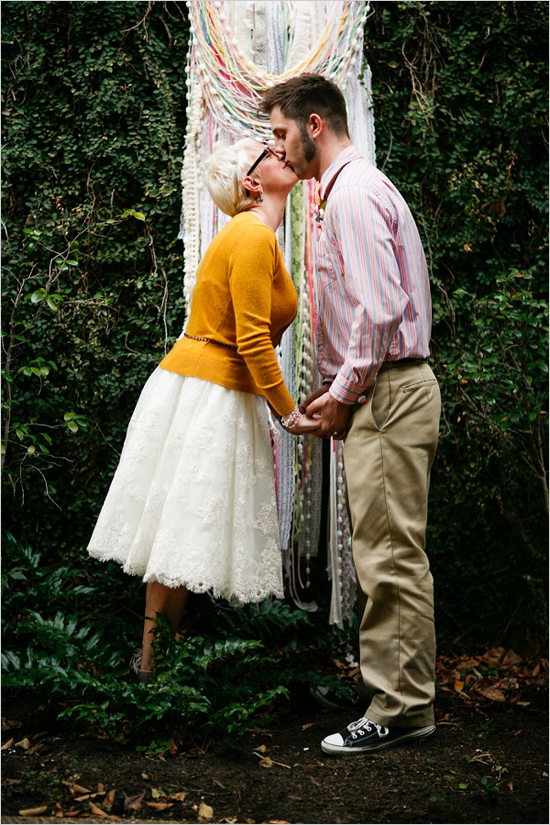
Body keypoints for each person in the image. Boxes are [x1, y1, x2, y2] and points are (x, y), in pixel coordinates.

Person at [88, 138, 318, 681]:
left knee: (181, 530)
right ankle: (152, 670)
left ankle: (153, 668)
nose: (282, 152)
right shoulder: (252, 234)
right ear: (252, 183)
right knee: (180, 530)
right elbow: (254, 342)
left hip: (208, 385)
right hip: (211, 391)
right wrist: (289, 414)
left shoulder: (252, 234)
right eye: (269, 152)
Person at [260, 74, 441, 755]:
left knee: (389, 557)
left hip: (387, 393)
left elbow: (379, 312)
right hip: (381, 392)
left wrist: (341, 395)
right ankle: (399, 695)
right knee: (387, 553)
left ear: (314, 125)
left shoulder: (355, 193)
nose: (279, 150)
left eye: (281, 133)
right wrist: (338, 393)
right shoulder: (349, 190)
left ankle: (399, 709)